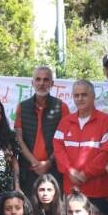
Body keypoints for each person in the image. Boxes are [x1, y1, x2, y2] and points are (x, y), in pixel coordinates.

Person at [52, 79, 108, 215]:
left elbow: (106, 153)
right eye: (76, 95)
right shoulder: (65, 122)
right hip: (72, 191)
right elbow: (58, 149)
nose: (80, 99)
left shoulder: (106, 120)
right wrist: (69, 170)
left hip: (98, 192)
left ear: (93, 96)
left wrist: (86, 174)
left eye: (84, 95)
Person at [15, 66, 68, 196]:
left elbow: (65, 140)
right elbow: (18, 139)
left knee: (55, 208)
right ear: (32, 83)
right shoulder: (22, 107)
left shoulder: (61, 107)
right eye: (38, 79)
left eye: (46, 80)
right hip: (28, 171)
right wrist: (34, 162)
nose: (41, 83)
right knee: (29, 208)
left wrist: (48, 162)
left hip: (54, 170)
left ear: (52, 83)